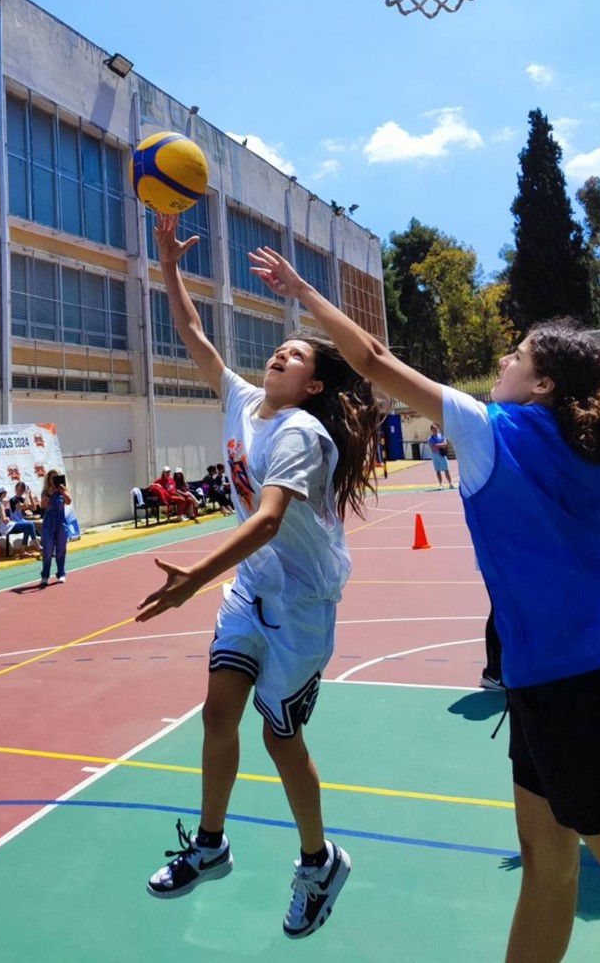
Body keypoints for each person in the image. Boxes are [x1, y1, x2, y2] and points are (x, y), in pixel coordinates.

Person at [248, 244, 600, 956]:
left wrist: (302, 291)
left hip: (577, 689)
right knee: (547, 865)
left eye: (516, 355)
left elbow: (373, 358)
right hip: (549, 683)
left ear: (542, 382)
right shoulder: (598, 450)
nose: (503, 358)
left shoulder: (491, 427)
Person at [138, 215, 380, 941]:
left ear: (312, 385)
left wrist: (193, 577)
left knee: (280, 740)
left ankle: (319, 860)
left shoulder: (301, 433)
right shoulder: (244, 402)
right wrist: (168, 263)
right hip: (251, 589)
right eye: (280, 349)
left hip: (301, 605)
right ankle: (211, 845)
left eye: (295, 355)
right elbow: (193, 331)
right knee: (218, 713)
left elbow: (269, 518)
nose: (280, 354)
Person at [39, 472, 71, 587]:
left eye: (56, 478)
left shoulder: (63, 490)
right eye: (52, 478)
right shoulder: (45, 492)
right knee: (47, 550)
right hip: (49, 522)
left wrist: (64, 493)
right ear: (49, 480)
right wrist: (49, 494)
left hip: (61, 521)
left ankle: (61, 573)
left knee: (61, 549)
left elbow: (68, 502)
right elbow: (43, 505)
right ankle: (45, 575)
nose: (54, 480)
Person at [0, 485, 40, 557]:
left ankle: (23, 551)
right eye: (5, 492)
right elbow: (4, 520)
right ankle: (37, 546)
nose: (6, 493)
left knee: (27, 528)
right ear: (3, 493)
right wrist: (8, 518)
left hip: (3, 526)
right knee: (30, 524)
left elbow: (33, 508)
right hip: (4, 528)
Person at [426, 423, 455, 489]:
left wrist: (436, 445)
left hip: (442, 455)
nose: (435, 430)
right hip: (435, 455)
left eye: (436, 428)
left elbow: (445, 444)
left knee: (446, 469)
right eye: (434, 429)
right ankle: (441, 484)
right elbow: (432, 447)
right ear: (431, 430)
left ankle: (450, 483)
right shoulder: (430, 438)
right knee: (438, 470)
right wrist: (441, 445)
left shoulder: (441, 435)